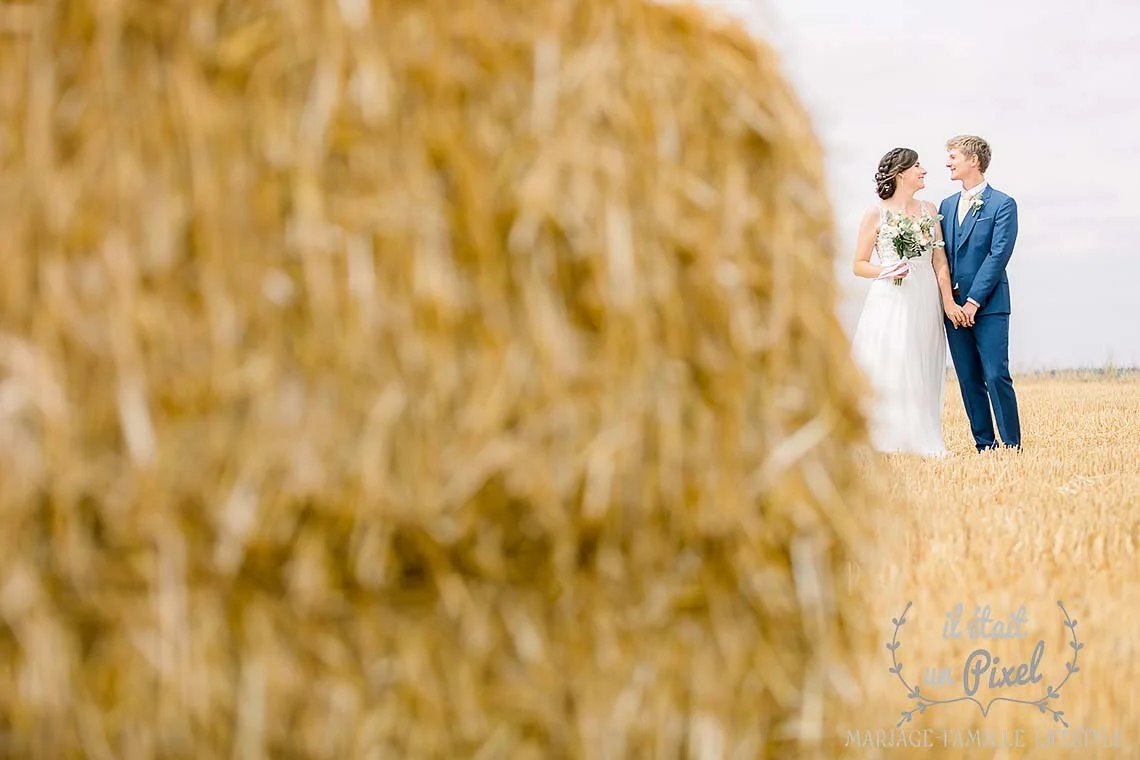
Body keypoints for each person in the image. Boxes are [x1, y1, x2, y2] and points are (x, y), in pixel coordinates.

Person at [850, 148, 965, 457]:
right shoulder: (875, 213)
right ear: (901, 174)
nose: (924, 170)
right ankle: (885, 438)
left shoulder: (929, 210)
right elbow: (859, 264)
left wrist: (948, 302)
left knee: (922, 361)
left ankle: (921, 438)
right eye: (917, 166)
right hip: (891, 297)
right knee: (893, 360)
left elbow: (940, 261)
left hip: (924, 296)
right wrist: (886, 270)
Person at [939, 135, 1022, 452]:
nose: (948, 162)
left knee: (996, 373)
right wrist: (950, 302)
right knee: (969, 378)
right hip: (953, 310)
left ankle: (1012, 445)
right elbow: (942, 256)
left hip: (989, 306)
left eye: (953, 156)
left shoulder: (1003, 204)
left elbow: (998, 254)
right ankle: (984, 445)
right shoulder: (945, 205)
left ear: (974, 160)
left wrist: (973, 301)